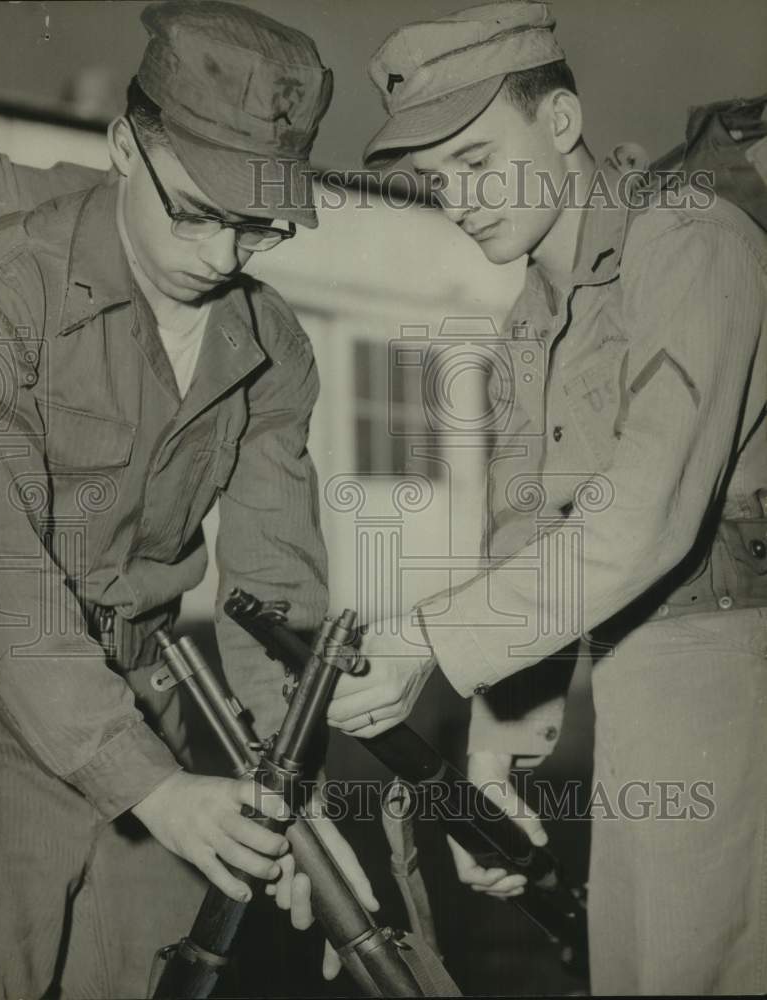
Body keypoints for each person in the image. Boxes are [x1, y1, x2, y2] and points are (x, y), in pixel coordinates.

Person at [328, 1, 767, 994]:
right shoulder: (533, 315)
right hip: (647, 679)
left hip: (731, 671)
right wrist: (497, 762)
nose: (460, 198)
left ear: (561, 123)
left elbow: (639, 517)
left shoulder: (692, 245)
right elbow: (532, 533)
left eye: (479, 160)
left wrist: (428, 641)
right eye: (435, 179)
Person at [0, 3, 376, 998]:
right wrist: (149, 786)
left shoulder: (271, 345)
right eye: (198, 211)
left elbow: (275, 599)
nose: (225, 254)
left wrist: (294, 806)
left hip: (151, 703)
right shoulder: (5, 292)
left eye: (261, 223)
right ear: (123, 145)